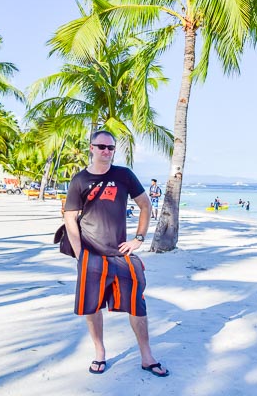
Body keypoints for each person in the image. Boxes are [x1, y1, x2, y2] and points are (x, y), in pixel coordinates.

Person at [63, 130, 169, 377]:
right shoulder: (79, 180)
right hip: (91, 254)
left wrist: (139, 239)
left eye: (111, 148)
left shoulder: (124, 175)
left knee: (137, 305)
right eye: (101, 147)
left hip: (121, 254)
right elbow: (70, 216)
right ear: (91, 148)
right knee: (92, 307)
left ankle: (146, 356)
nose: (106, 151)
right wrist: (80, 252)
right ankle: (99, 352)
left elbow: (145, 205)